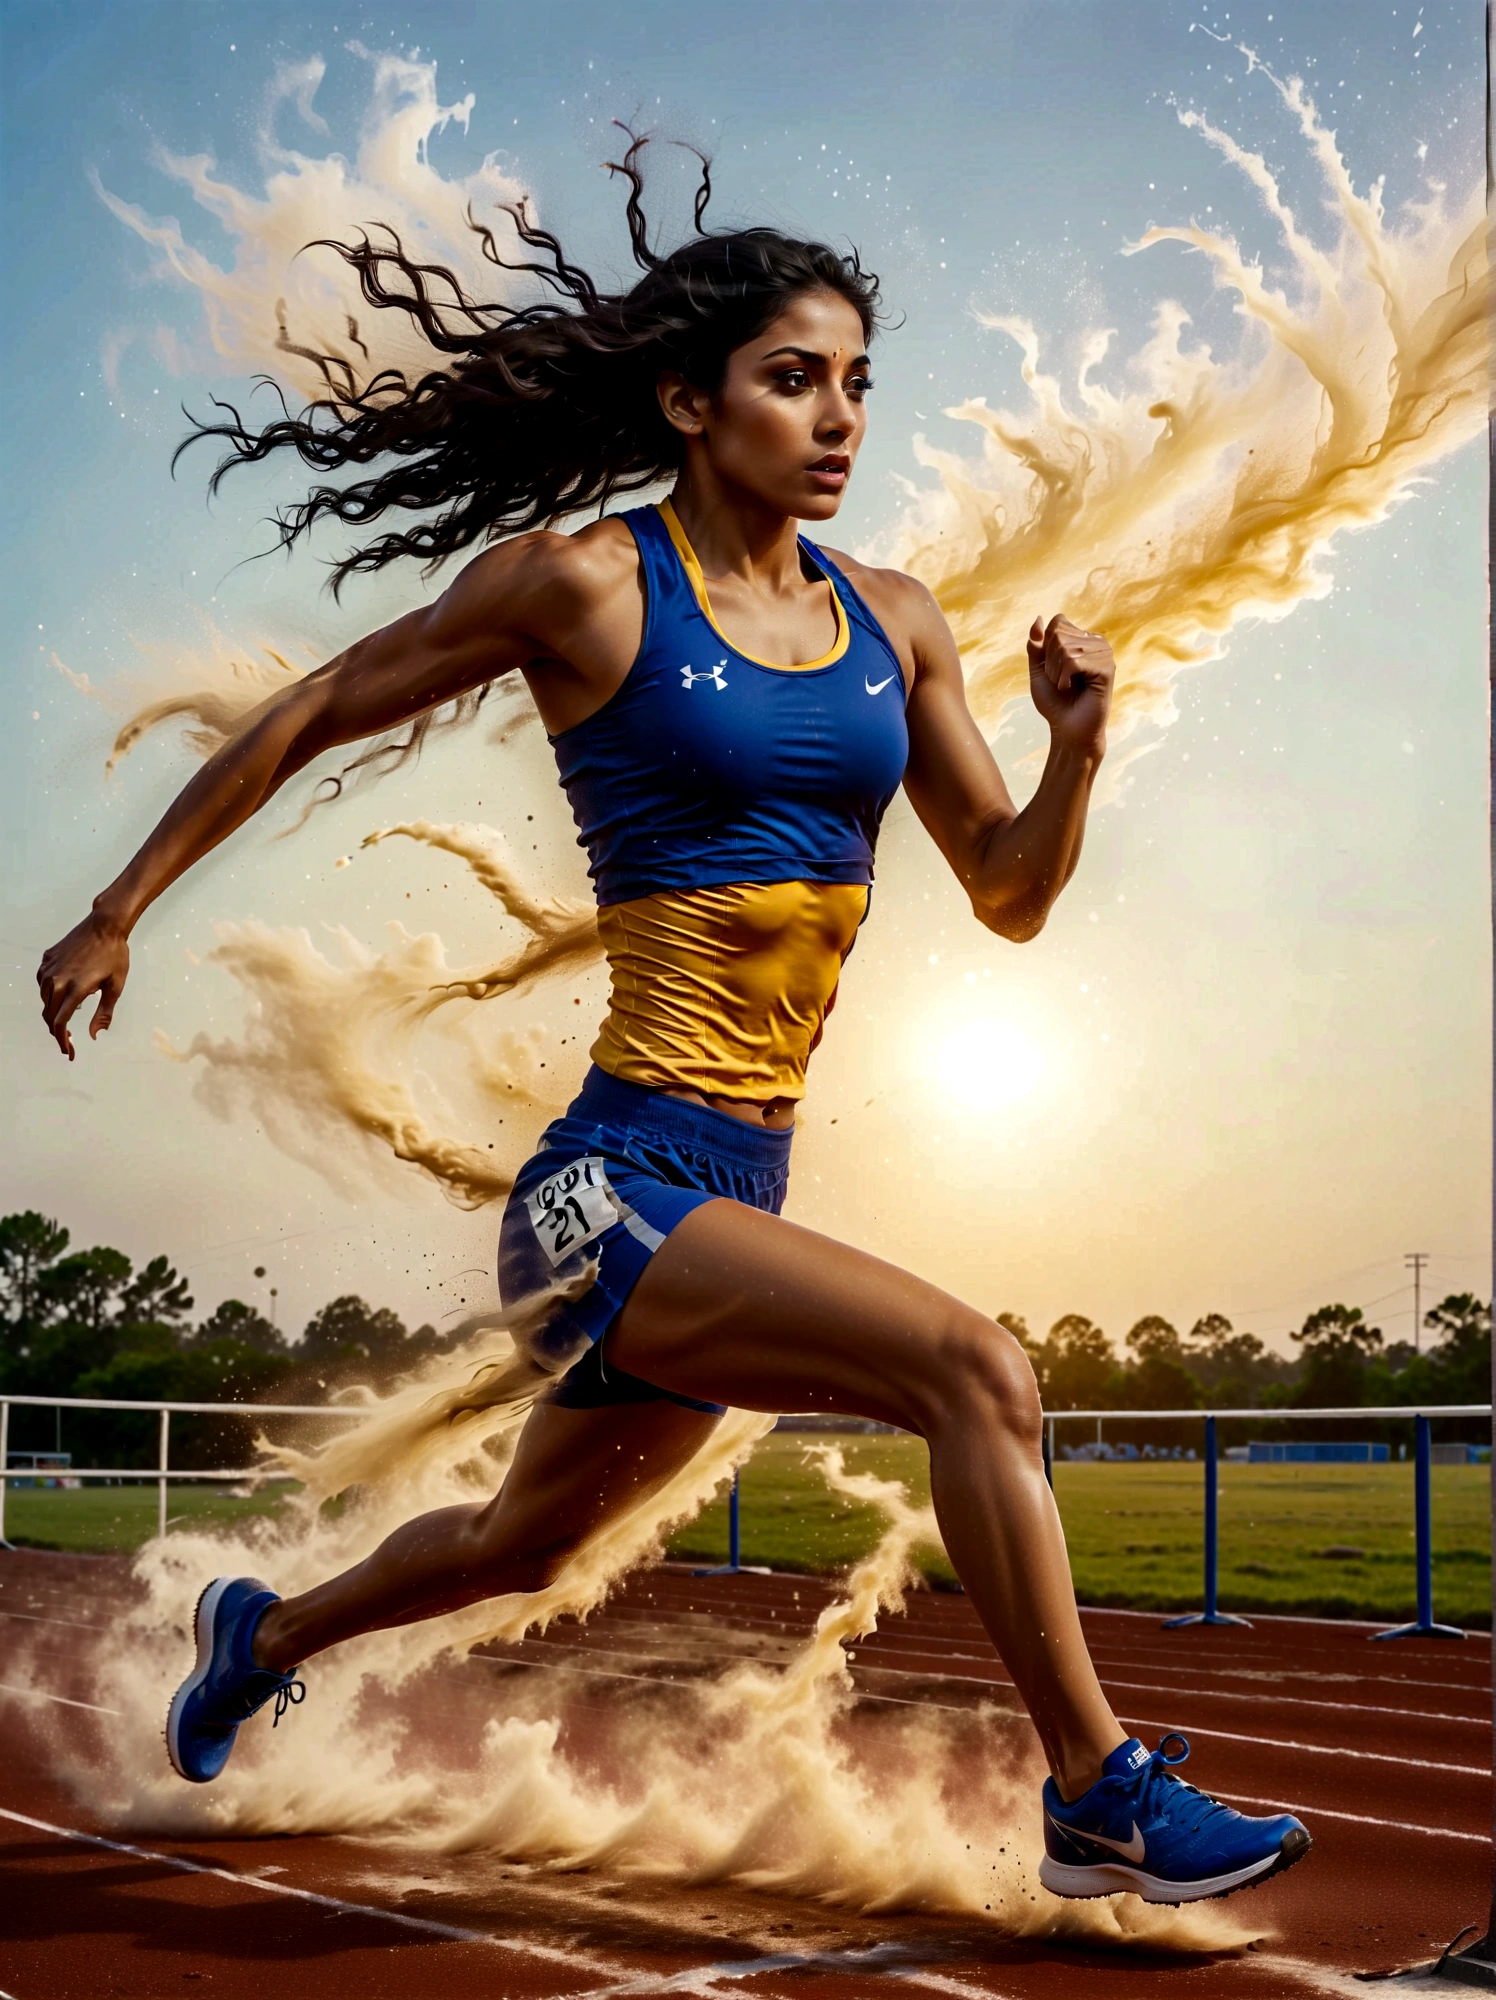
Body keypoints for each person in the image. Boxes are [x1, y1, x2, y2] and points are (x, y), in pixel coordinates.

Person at [37, 146, 1308, 1907]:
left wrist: (1082, 746)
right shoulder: (584, 588)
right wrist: (121, 905)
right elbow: (321, 706)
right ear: (688, 400)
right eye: (797, 379)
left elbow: (1008, 892)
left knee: (517, 1542)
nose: (840, 415)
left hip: (735, 1197)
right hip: (608, 1189)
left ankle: (266, 1632)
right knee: (979, 1370)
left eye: (860, 381)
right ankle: (1099, 1790)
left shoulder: (901, 627)